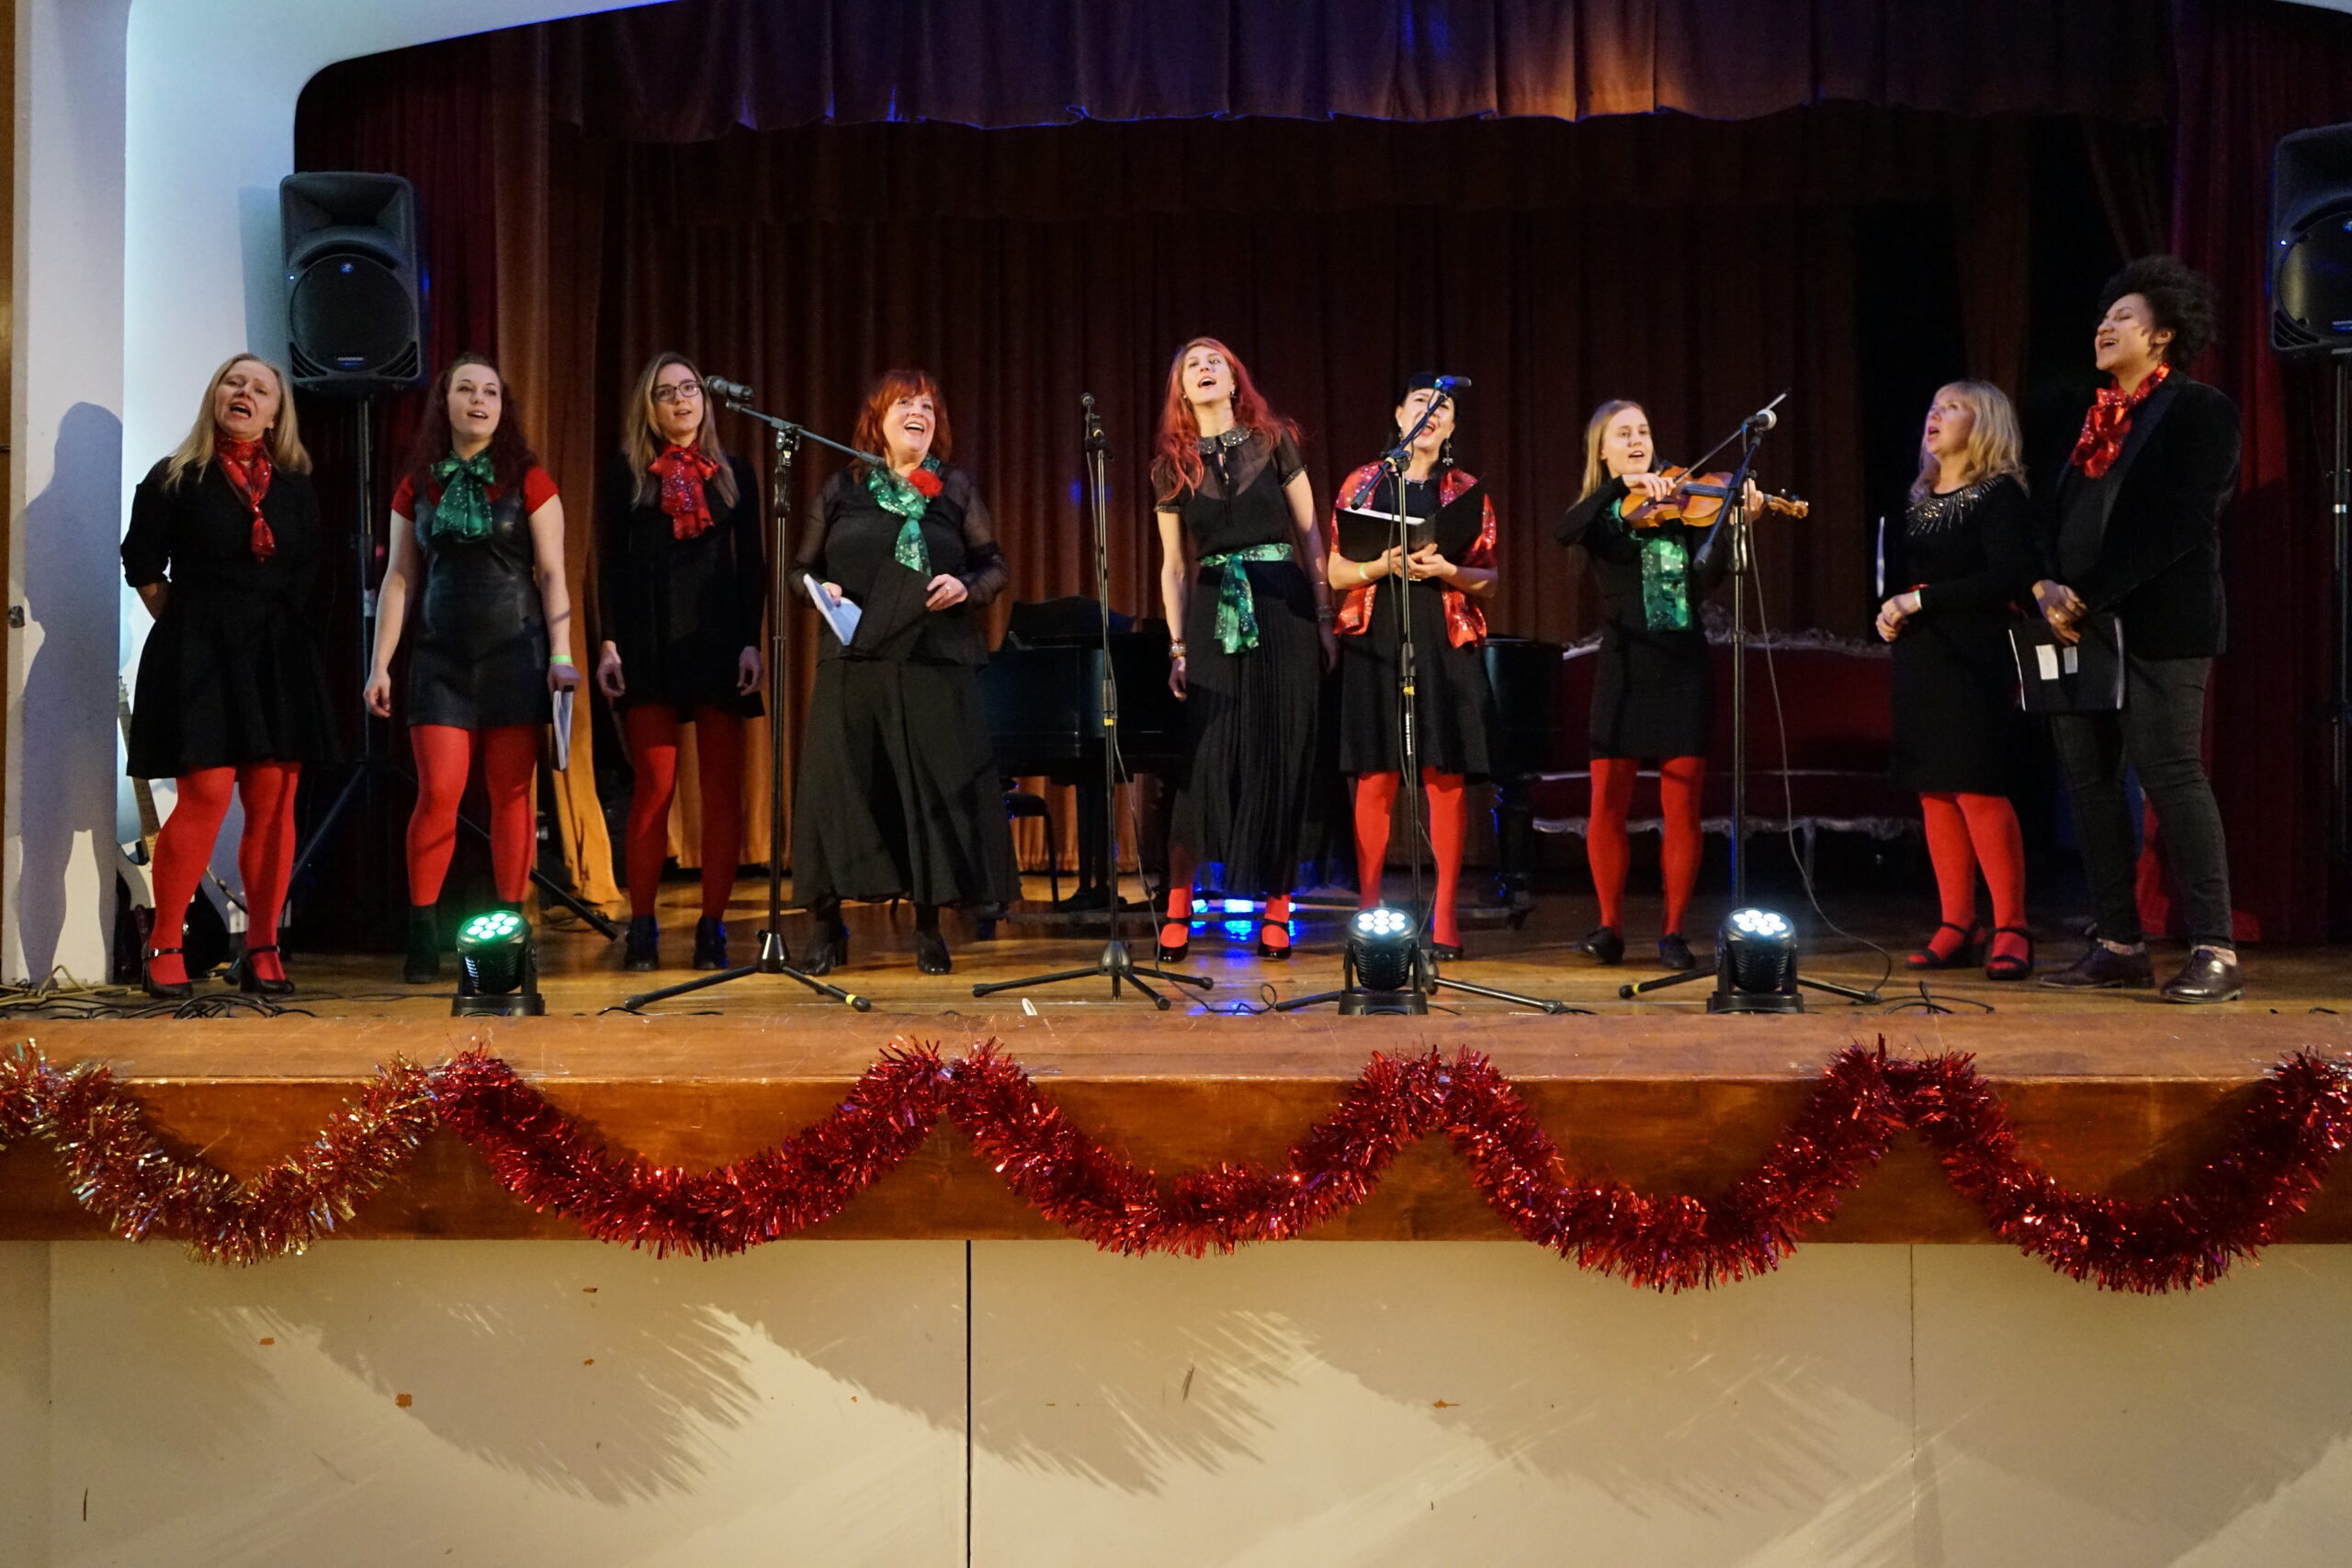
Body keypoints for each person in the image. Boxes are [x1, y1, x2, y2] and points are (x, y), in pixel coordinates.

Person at [2031, 255, 2243, 1002]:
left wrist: (2087, 593)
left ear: (2162, 335)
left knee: (2170, 774)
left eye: (2123, 316)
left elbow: (2182, 524)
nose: (2104, 325)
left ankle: (2215, 948)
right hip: (2074, 627)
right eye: (2103, 315)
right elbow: (2049, 516)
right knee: (2089, 784)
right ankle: (2119, 943)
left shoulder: (2201, 410)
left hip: (2159, 624)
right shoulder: (2084, 416)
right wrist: (2045, 583)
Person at [122, 354, 340, 998]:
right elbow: (143, 564)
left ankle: (263, 945)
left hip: (276, 655)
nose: (244, 392)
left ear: (275, 414)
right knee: (207, 795)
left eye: (259, 388)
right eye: (232, 382)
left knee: (272, 804)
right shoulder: (174, 476)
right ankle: (165, 943)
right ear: (215, 396)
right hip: (202, 652)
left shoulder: (296, 485)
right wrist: (191, 629)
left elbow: (309, 568)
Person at [788, 368, 1018, 976]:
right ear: (877, 419)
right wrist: (819, 589)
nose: (919, 412)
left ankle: (928, 926)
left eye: (928, 406)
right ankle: (826, 925)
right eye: (905, 403)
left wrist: (963, 586)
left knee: (928, 793)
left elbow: (994, 567)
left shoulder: (954, 490)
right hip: (855, 660)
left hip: (931, 661)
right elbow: (798, 569)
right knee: (842, 787)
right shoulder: (842, 490)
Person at [366, 353, 578, 983]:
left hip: (516, 654)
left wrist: (562, 656)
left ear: (502, 407)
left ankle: (510, 934)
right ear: (446, 403)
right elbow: (399, 577)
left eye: (490, 392)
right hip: (440, 658)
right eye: (466, 389)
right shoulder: (416, 484)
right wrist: (380, 665)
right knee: (438, 794)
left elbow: (552, 573)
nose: (479, 401)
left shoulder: (530, 479)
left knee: (512, 797)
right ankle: (423, 934)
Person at [1552, 401, 1757, 970]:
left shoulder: (1684, 502)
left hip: (1681, 661)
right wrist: (1619, 486)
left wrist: (1731, 524)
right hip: (1622, 665)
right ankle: (1609, 928)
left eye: (1643, 430)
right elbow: (1564, 530)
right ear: (1603, 450)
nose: (1638, 439)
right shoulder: (1604, 513)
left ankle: (1673, 932)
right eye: (1624, 433)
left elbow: (1703, 581)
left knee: (1682, 806)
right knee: (1607, 803)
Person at [1152, 337, 1337, 962]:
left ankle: (1278, 907)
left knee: (1282, 753)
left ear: (1235, 382)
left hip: (1283, 607)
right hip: (1212, 615)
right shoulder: (1171, 467)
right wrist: (1178, 645)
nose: (1205, 370)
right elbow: (1174, 566)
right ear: (1182, 391)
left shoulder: (1275, 440)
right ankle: (1179, 903)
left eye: (1216, 363)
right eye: (1192, 366)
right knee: (1205, 762)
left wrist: (1325, 617)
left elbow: (1311, 535)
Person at [594, 353, 764, 973]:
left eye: (690, 388)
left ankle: (712, 926)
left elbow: (753, 565)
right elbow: (609, 564)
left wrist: (750, 641)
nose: (681, 400)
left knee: (721, 793)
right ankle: (642, 926)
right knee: (655, 787)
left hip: (718, 642)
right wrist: (609, 642)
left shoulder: (736, 473)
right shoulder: (626, 474)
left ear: (705, 400)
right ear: (650, 406)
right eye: (666, 392)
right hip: (649, 641)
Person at [1327, 374, 1498, 958]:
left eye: (1442, 406)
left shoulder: (1466, 490)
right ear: (1400, 416)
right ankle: (1369, 910)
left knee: (1443, 777)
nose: (1432, 412)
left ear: (1451, 427)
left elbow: (1489, 580)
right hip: (1377, 636)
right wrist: (1383, 565)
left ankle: (1444, 917)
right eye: (1422, 402)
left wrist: (1445, 570)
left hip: (1443, 636)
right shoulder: (1365, 482)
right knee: (1375, 775)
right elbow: (1336, 572)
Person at [1874, 381, 2038, 979]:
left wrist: (1922, 600)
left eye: (1952, 407)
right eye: (1933, 406)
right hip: (1921, 658)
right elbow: (1898, 582)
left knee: (1977, 787)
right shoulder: (1916, 500)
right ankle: (1957, 923)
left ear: (1985, 422)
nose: (1934, 414)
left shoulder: (2000, 494)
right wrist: (1890, 612)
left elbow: (2010, 576)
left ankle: (2012, 926)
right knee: (1935, 790)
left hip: (1975, 655)